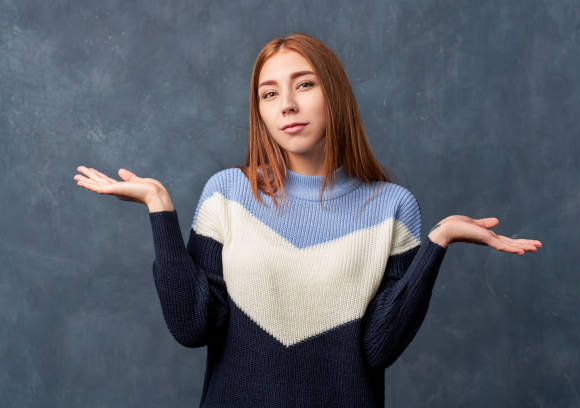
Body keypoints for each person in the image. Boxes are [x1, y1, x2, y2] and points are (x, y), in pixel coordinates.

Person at [74, 32, 542, 407]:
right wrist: (159, 205)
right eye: (269, 93)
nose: (287, 106)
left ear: (333, 94)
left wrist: (439, 241)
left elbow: (378, 350)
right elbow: (194, 327)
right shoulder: (228, 194)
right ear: (259, 110)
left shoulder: (392, 207)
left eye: (305, 84)